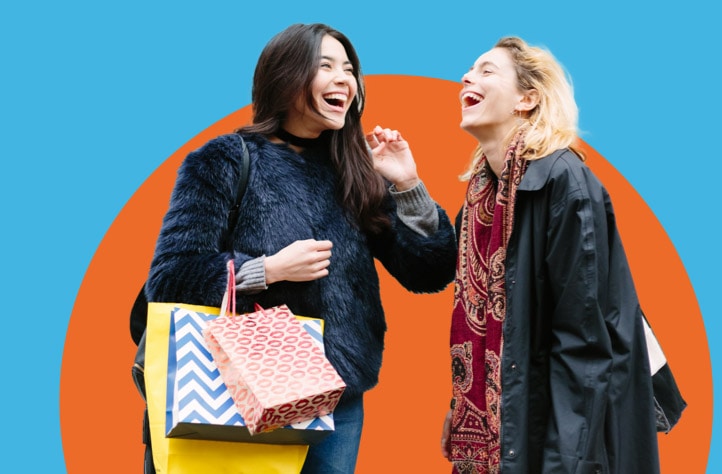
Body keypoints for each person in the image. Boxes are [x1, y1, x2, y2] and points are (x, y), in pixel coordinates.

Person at [143, 23, 457, 474]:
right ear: (286, 76)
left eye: (349, 69)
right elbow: (170, 276)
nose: (343, 80)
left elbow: (429, 271)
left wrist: (407, 184)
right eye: (325, 65)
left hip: (337, 399)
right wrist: (266, 270)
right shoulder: (226, 159)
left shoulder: (354, 173)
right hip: (241, 389)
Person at [440, 37, 667, 473]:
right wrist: (462, 408)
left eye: (487, 70)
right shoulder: (481, 199)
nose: (467, 78)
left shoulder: (562, 181)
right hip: (504, 432)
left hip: (553, 441)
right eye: (470, 70)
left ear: (527, 98)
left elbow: (583, 342)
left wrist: (567, 462)